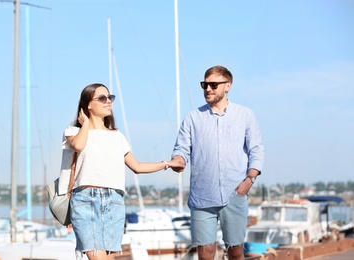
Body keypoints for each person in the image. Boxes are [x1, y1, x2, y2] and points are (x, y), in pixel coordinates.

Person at [62, 83, 183, 260]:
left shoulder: (117, 136)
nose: (108, 102)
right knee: (97, 258)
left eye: (110, 98)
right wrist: (86, 123)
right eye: (102, 98)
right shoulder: (73, 132)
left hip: (114, 201)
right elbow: (79, 145)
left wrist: (168, 163)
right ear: (88, 104)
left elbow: (137, 167)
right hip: (85, 200)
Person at [171, 65, 264, 260]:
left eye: (213, 85)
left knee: (236, 251)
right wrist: (178, 160)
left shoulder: (245, 115)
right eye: (205, 85)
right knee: (205, 254)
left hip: (235, 193)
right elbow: (181, 149)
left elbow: (256, 149)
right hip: (202, 196)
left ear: (227, 86)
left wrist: (250, 180)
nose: (208, 89)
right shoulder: (192, 118)